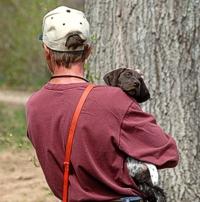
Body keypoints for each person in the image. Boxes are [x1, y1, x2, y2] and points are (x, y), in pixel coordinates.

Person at [26, 6, 179, 202]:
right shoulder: (114, 100)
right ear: (88, 51)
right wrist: (130, 97)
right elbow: (167, 153)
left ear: (47, 51)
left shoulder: (34, 106)